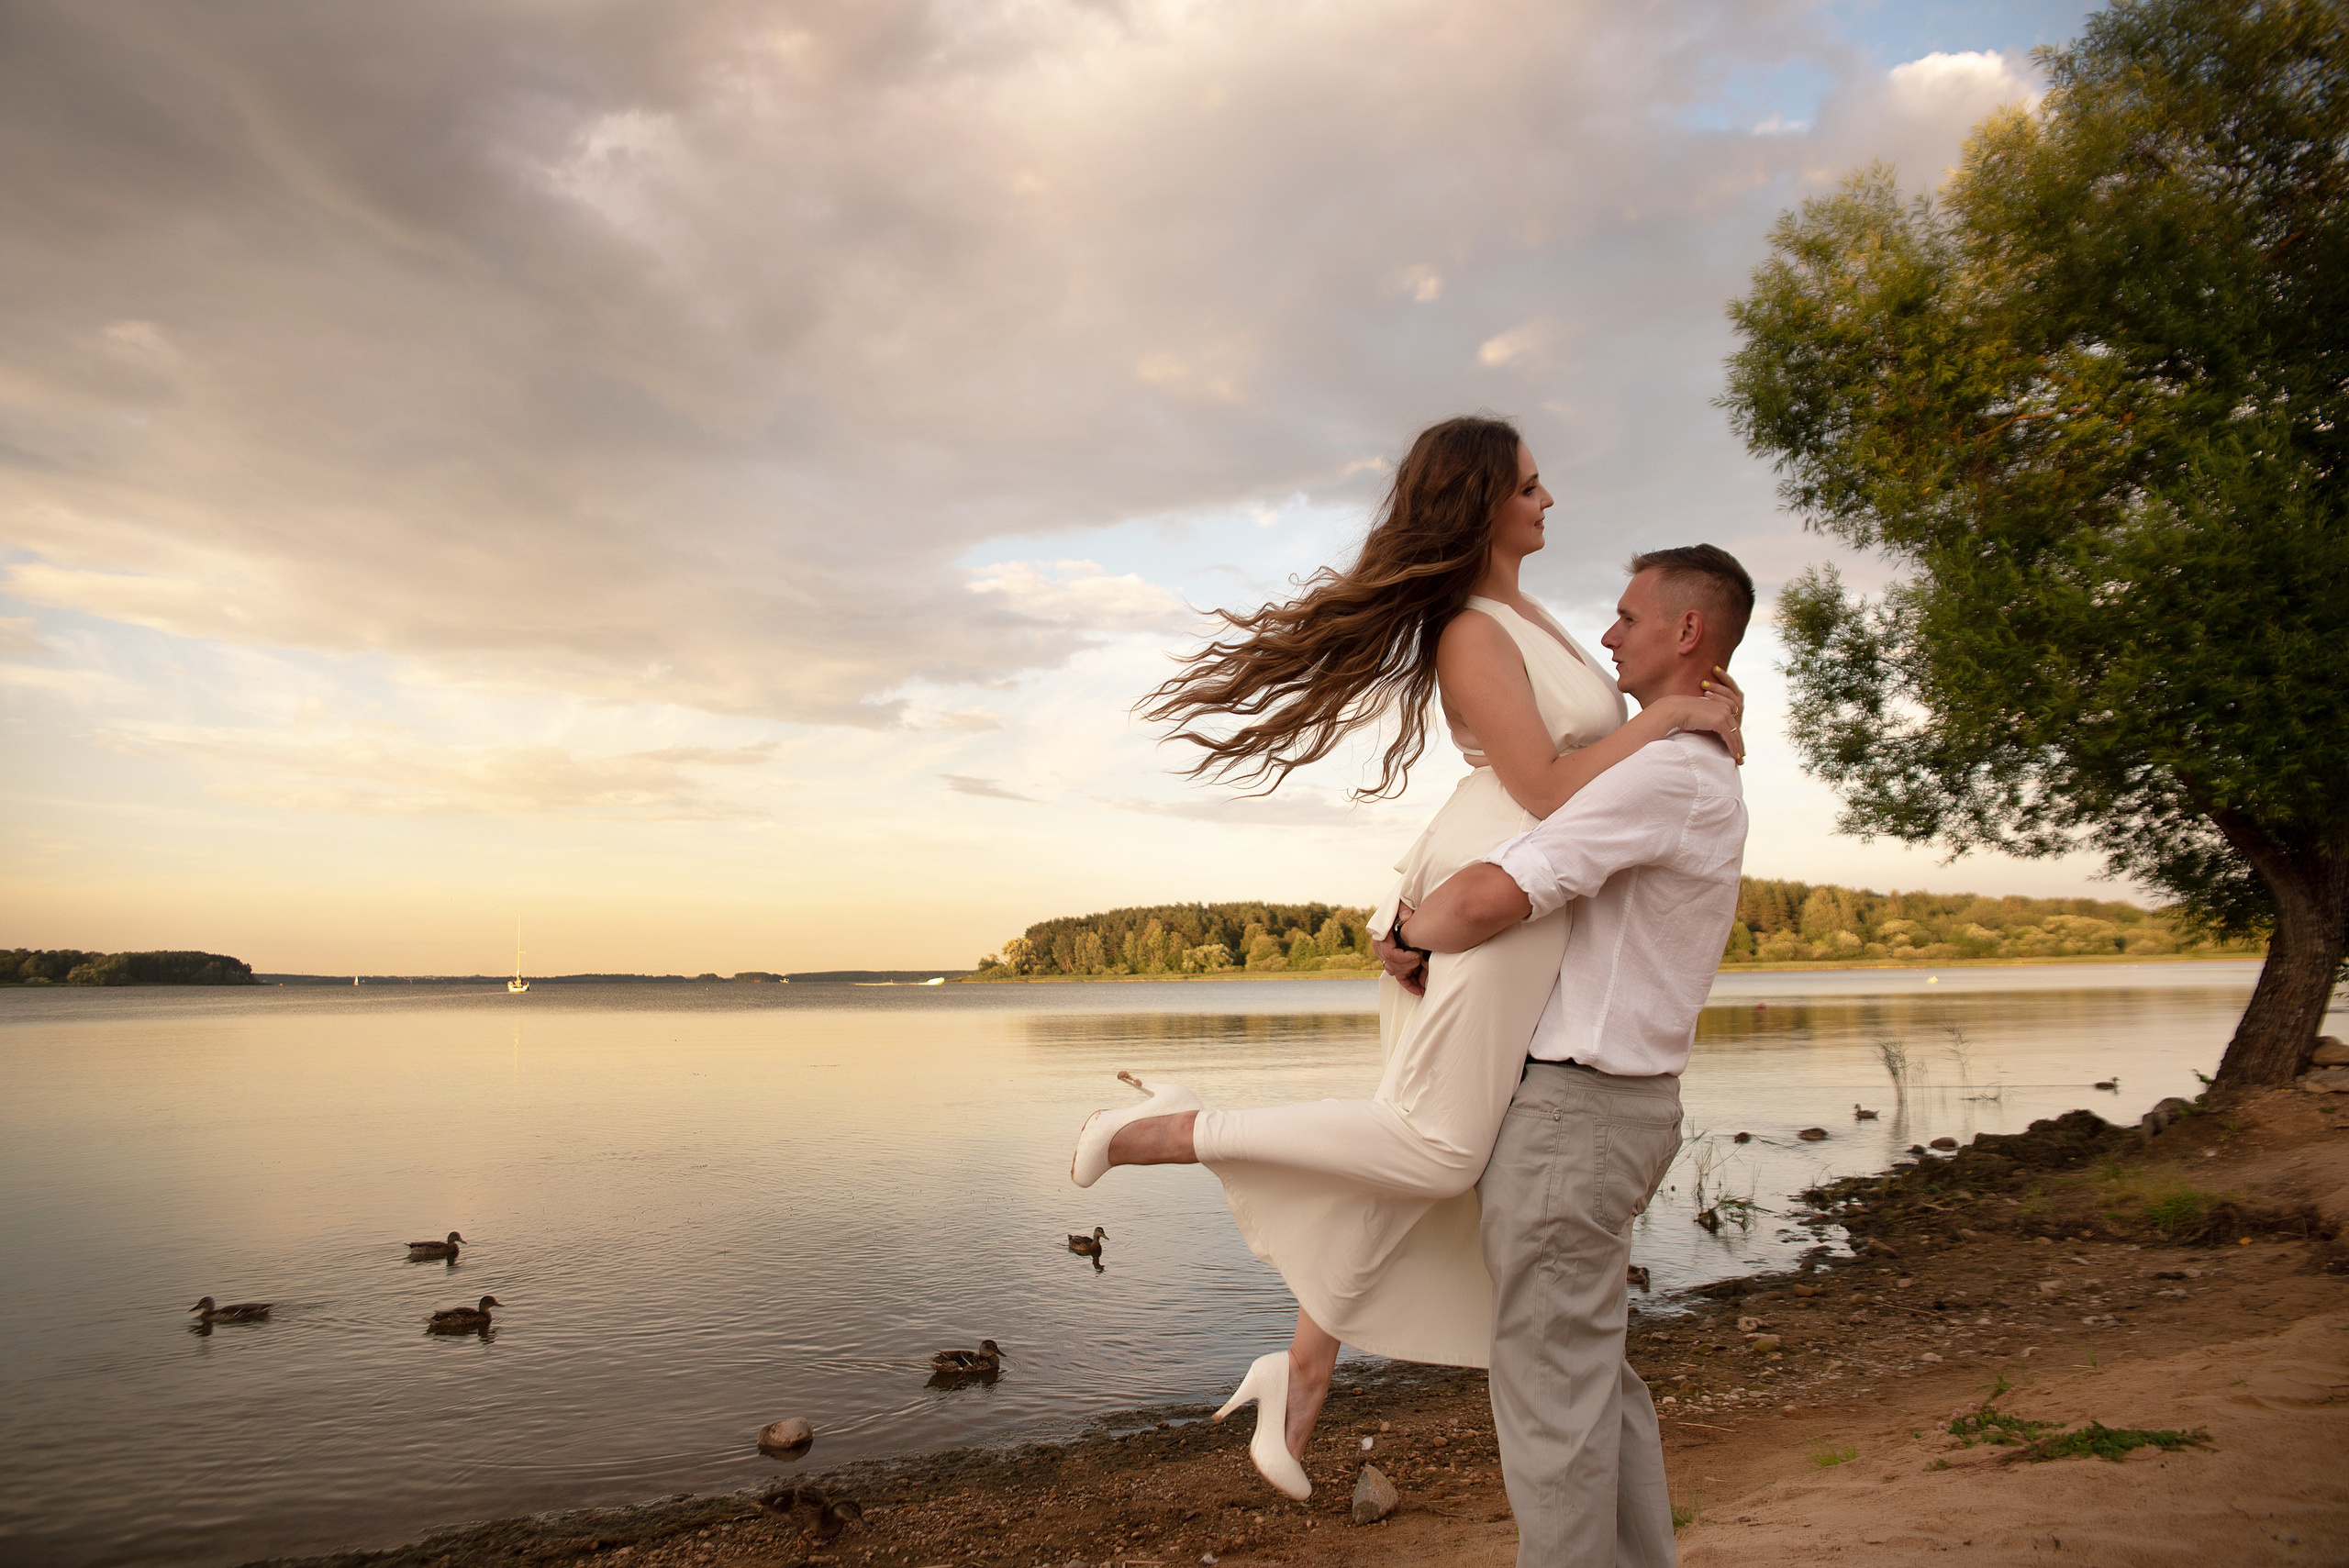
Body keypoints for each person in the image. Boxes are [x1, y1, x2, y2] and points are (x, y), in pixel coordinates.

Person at [1074, 415, 1745, 1500]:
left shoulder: (1541, 620)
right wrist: (1674, 716)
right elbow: (1543, 784)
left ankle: (1299, 1368)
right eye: (1530, 485)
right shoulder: (1472, 631)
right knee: (1434, 1148)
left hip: (1526, 888)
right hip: (1493, 879)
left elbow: (1632, 720)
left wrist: (1703, 708)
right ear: (1482, 499)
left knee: (1438, 1152)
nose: (1548, 499)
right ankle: (1172, 1129)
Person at [1397, 546, 1753, 1567]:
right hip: (1611, 1110)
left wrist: (1411, 931)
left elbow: (1495, 892)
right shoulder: (1694, 764)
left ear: (1686, 633)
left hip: (1574, 1117)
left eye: (1628, 617)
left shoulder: (1668, 772)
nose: (1606, 636)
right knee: (1589, 1378)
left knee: (1551, 1394)